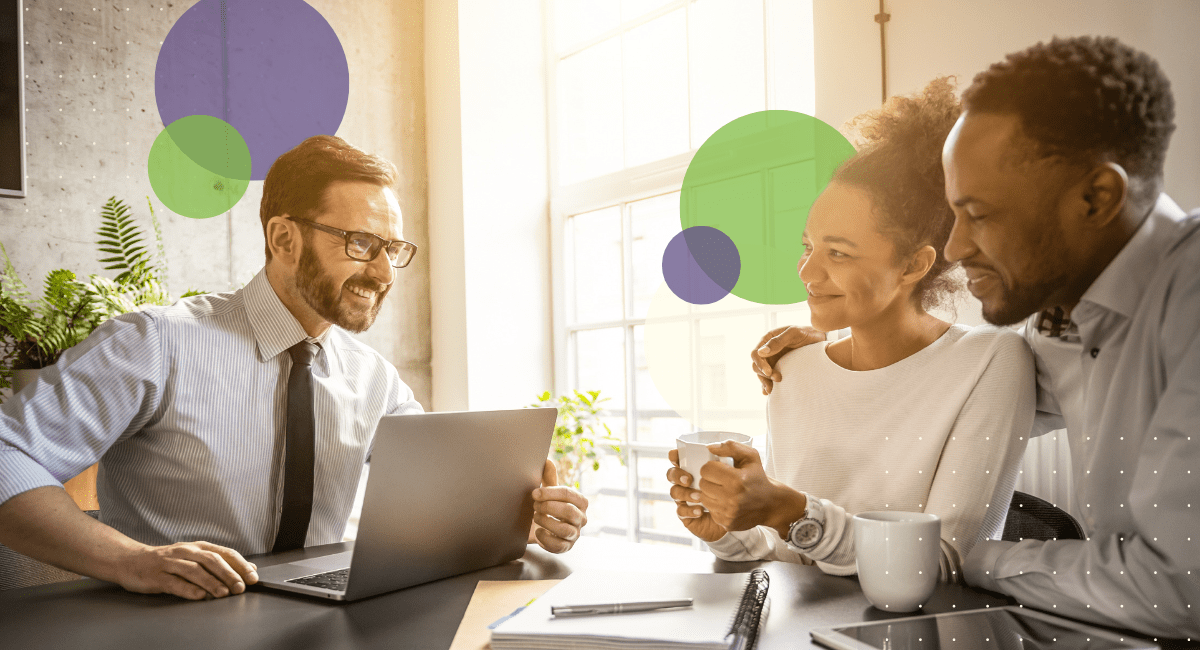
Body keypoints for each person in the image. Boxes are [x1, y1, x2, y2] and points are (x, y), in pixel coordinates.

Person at [0, 135, 588, 601]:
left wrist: (526, 520)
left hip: (319, 621)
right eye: (361, 243)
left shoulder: (373, 379)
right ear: (284, 238)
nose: (383, 274)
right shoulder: (156, 343)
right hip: (170, 624)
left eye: (393, 250)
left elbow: (444, 501)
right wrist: (131, 560)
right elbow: (7, 456)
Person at [753, 36, 1200, 637]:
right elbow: (943, 378)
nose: (957, 250)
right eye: (955, 213)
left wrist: (967, 556)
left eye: (982, 215)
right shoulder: (1062, 324)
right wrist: (838, 345)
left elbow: (1175, 591)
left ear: (1097, 197)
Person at [667, 79, 1035, 582]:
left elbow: (943, 561)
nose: (807, 273)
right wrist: (727, 528)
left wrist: (788, 511)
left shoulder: (990, 361)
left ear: (912, 265)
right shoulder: (792, 368)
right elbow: (785, 551)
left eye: (838, 253)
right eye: (808, 247)